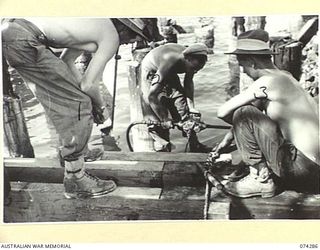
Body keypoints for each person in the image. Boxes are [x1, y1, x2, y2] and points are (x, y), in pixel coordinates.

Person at [1, 18, 161, 199]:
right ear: (125, 28)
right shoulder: (112, 36)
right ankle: (75, 178)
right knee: (77, 105)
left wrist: (85, 96)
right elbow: (89, 84)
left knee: (70, 100)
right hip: (25, 41)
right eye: (134, 37)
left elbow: (67, 61)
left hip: (14, 33)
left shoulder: (93, 25)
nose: (131, 42)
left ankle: (76, 152)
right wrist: (100, 107)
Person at [214, 29, 319, 198]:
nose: (244, 73)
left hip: (302, 171)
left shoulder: (267, 82)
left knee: (242, 112)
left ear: (253, 62)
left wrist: (240, 130)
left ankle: (260, 180)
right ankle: (262, 172)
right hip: (314, 169)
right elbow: (254, 117)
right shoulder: (285, 76)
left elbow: (224, 112)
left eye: (244, 67)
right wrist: (227, 142)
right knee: (248, 114)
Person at [140, 43, 211, 152]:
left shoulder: (193, 62)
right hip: (152, 70)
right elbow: (152, 96)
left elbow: (188, 82)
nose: (194, 71)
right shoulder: (170, 61)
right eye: (193, 68)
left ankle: (195, 145)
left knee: (183, 107)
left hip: (170, 72)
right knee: (156, 116)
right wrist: (164, 118)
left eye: (197, 69)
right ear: (187, 59)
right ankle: (164, 149)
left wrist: (192, 107)